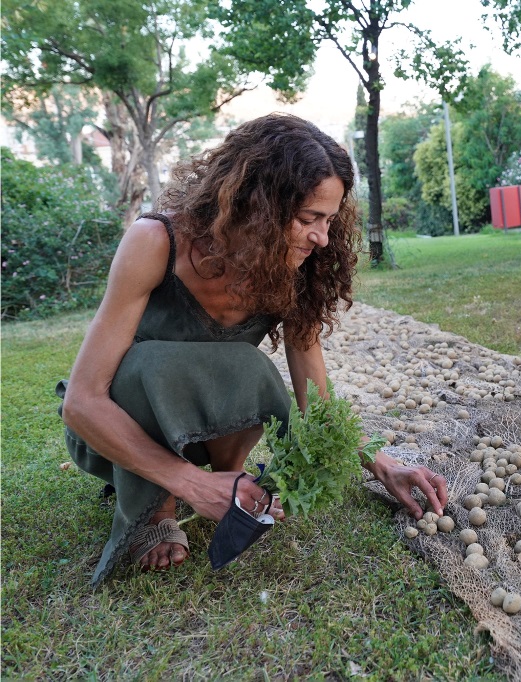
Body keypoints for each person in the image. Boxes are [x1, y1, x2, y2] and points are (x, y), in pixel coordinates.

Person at [58, 113, 448, 586]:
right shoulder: (156, 241)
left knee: (246, 366)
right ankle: (158, 508)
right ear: (256, 205)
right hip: (118, 430)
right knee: (146, 364)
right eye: (309, 219)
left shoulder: (295, 266)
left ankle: (231, 479)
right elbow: (82, 403)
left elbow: (314, 394)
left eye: (329, 220)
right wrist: (190, 485)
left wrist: (379, 463)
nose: (322, 238)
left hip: (205, 431)